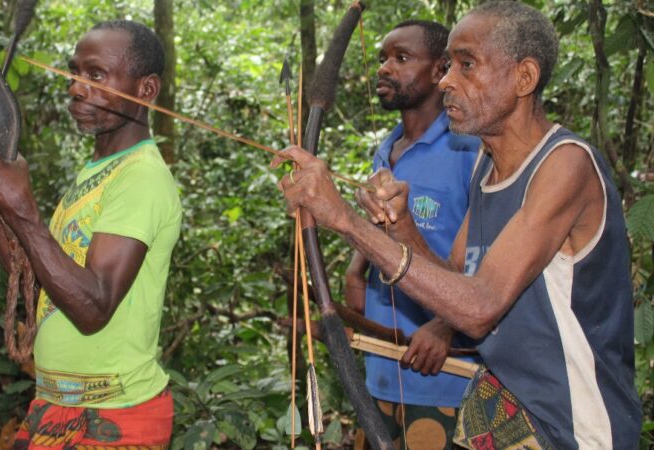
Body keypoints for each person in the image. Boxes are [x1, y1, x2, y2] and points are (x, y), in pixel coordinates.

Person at [274, 2, 641, 449]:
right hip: (509, 413)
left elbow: (480, 308)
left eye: (467, 65)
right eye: (449, 66)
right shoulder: (487, 167)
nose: (447, 80)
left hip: (574, 427)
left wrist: (345, 220)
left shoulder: (564, 165)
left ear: (524, 78)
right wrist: (402, 227)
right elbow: (456, 287)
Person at [0, 20, 181, 450]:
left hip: (116, 415)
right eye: (75, 72)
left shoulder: (141, 177)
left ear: (146, 90)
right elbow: (42, 284)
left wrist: (23, 209)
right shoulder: (96, 174)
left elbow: (92, 307)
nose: (76, 88)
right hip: (56, 408)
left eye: (96, 75)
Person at [342, 20, 480, 450]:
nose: (385, 68)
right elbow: (379, 232)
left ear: (441, 70)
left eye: (401, 58)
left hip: (442, 378)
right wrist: (353, 275)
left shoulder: (469, 149)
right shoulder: (387, 148)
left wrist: (444, 325)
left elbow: (490, 256)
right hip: (381, 368)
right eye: (383, 58)